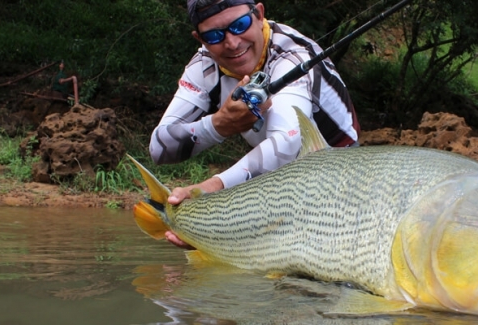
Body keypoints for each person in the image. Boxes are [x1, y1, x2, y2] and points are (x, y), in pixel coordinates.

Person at [150, 0, 360, 248]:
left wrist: (213, 187)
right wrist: (218, 126)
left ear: (259, 15)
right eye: (215, 35)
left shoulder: (294, 55)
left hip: (337, 182)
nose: (232, 43)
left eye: (240, 25)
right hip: (272, 185)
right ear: (200, 39)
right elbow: (159, 148)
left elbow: (287, 143)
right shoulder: (204, 66)